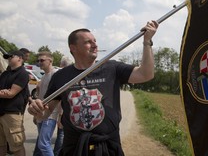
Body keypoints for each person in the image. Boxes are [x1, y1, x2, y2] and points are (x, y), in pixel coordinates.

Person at [28, 20, 158, 156]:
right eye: (88, 42)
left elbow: (146, 74)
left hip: (107, 147)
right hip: (74, 148)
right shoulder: (60, 76)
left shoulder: (112, 68)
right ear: (73, 48)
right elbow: (47, 111)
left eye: (95, 40)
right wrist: (37, 110)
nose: (95, 44)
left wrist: (147, 42)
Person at [0, 50, 29, 156]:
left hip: (12, 114)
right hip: (1, 112)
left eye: (11, 57)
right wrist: (3, 92)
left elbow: (11, 93)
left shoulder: (23, 73)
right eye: (7, 57)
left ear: (19, 58)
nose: (8, 59)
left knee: (16, 147)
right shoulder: (5, 74)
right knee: (1, 145)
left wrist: (7, 92)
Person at [33, 51, 60, 156]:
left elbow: (61, 97)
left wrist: (60, 116)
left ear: (50, 61)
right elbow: (40, 97)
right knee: (41, 143)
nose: (39, 62)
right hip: (41, 113)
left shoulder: (55, 74)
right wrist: (36, 115)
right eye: (38, 60)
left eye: (42, 60)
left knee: (43, 144)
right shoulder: (44, 76)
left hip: (51, 114)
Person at [53, 56, 73, 156]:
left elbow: (63, 100)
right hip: (68, 113)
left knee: (61, 135)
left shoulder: (63, 77)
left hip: (65, 113)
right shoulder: (71, 76)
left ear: (62, 64)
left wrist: (60, 116)